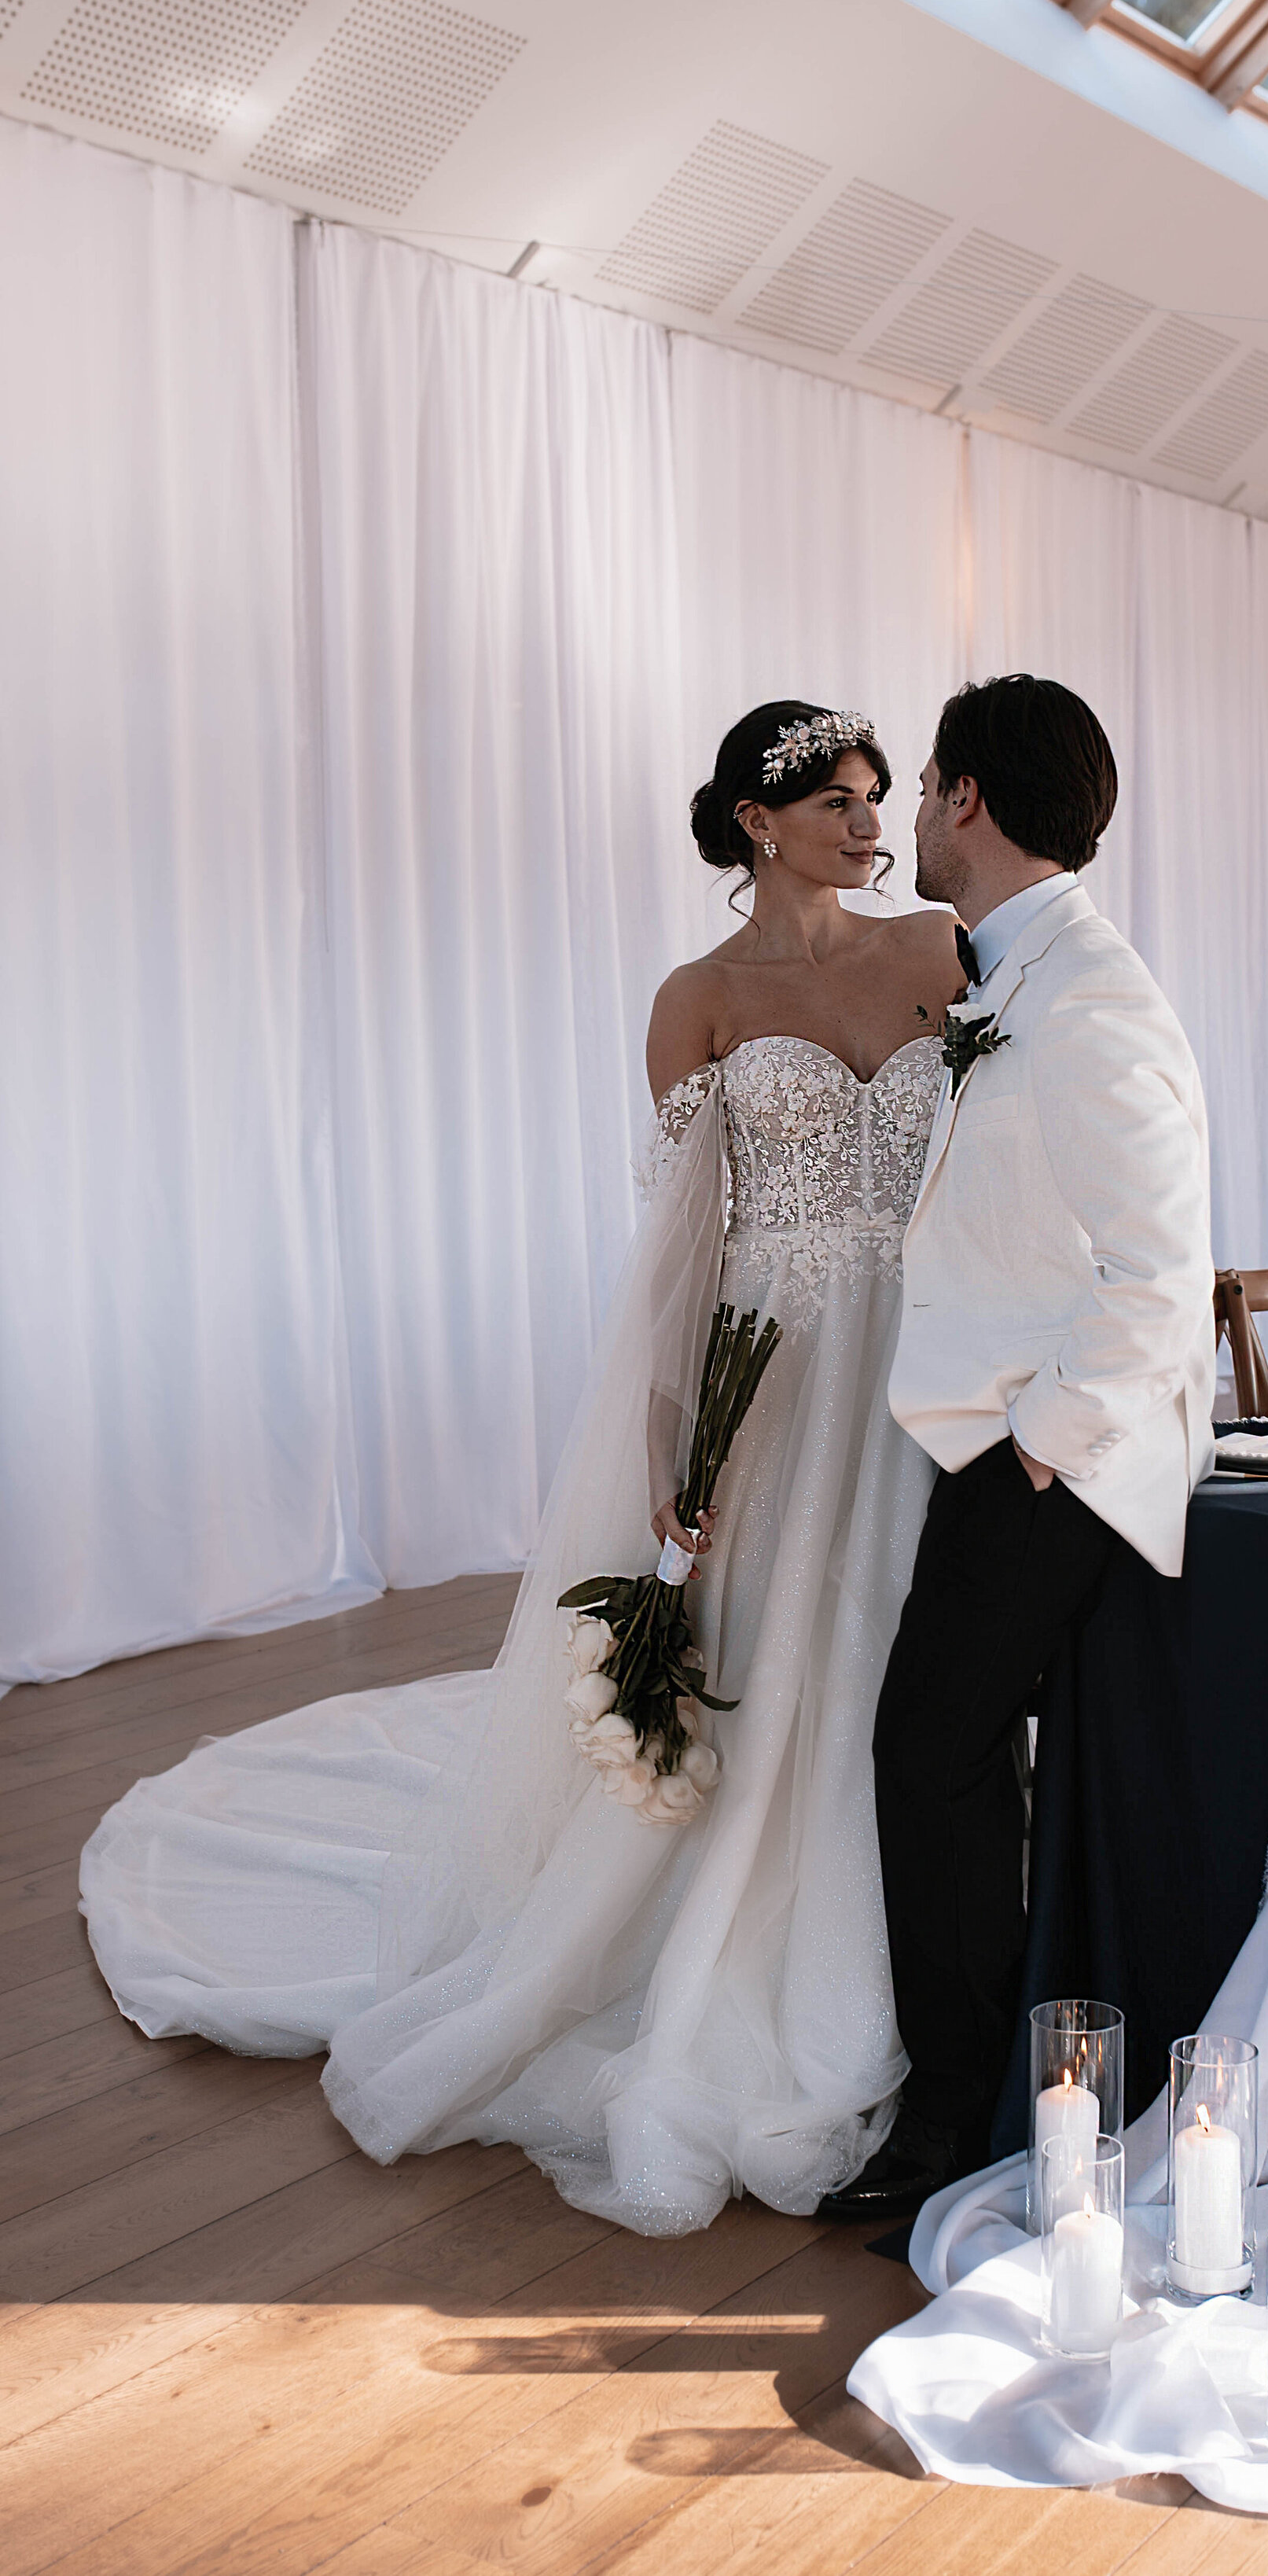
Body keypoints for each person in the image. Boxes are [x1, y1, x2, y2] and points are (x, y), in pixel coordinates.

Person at [79, 701, 962, 2236]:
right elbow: (684, 1244)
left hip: (917, 1366)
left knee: (897, 1651)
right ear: (757, 820)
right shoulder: (694, 998)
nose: (869, 822)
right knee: (772, 1662)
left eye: (877, 796)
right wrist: (668, 1444)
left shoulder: (942, 952)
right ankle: (747, 1959)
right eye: (836, 798)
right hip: (777, 1369)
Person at [819, 674, 1217, 2224]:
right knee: (946, 1764)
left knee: (929, 1759)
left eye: (922, 788)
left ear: (971, 800)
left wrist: (1040, 1446)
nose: (910, 815)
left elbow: (1163, 1271)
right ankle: (987, 2093)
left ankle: (960, 2120)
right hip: (1004, 1438)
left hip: (1052, 1463)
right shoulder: (1020, 979)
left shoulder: (1092, 1001)